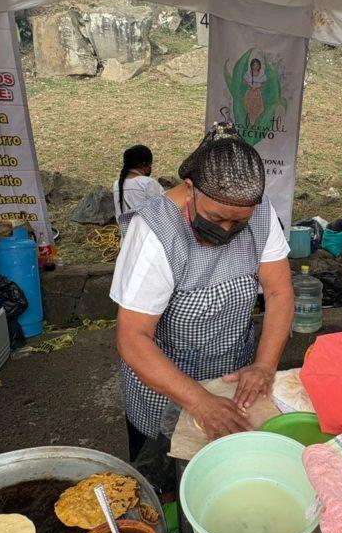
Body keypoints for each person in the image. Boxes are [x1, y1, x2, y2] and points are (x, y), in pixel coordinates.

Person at [111, 123, 294, 461]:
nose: (226, 230)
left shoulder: (260, 213)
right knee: (164, 472)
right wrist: (199, 401)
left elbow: (279, 292)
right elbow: (133, 338)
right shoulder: (154, 232)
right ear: (190, 188)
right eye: (216, 218)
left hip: (231, 379)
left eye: (238, 223)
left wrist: (264, 366)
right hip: (164, 391)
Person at [112, 144, 163, 220]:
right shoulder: (148, 183)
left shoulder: (116, 185)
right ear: (144, 164)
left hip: (125, 228)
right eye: (150, 164)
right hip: (147, 227)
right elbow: (162, 210)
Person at [243, 58, 267, 123]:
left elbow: (264, 83)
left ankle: (256, 120)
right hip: (249, 92)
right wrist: (250, 87)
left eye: (257, 65)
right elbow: (244, 81)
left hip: (257, 93)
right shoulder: (248, 73)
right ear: (251, 66)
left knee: (257, 106)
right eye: (254, 65)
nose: (256, 67)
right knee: (249, 106)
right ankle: (250, 120)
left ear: (259, 66)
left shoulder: (261, 73)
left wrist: (257, 87)